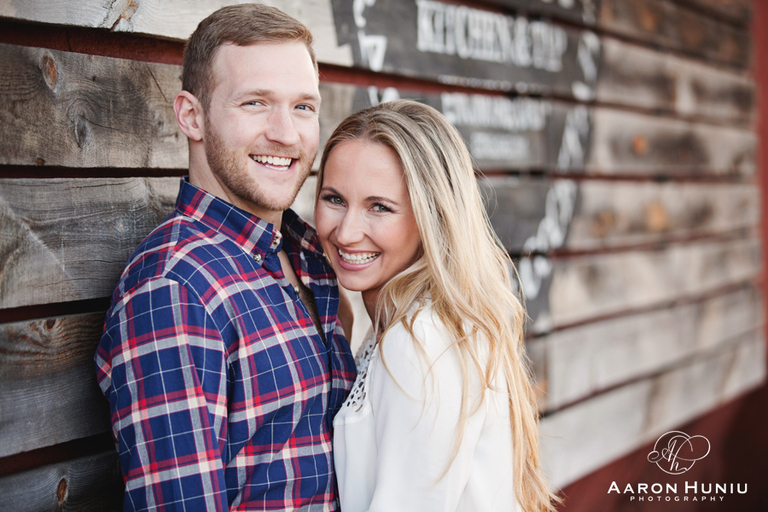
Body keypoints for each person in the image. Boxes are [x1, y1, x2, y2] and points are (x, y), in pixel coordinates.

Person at [94, 5, 356, 511]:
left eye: (303, 107)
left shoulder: (310, 259)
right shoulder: (174, 288)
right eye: (256, 103)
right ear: (192, 116)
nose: (285, 133)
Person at [314, 100, 559, 512]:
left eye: (379, 207)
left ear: (431, 216)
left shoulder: (420, 339)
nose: (346, 231)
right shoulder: (411, 323)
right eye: (335, 199)